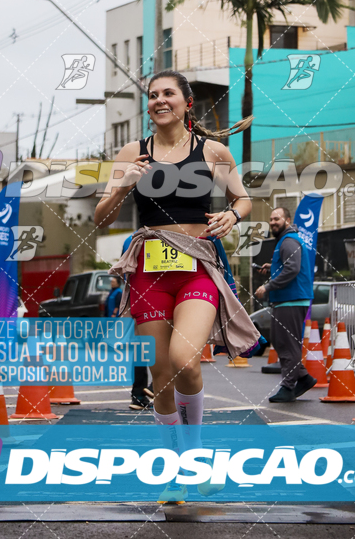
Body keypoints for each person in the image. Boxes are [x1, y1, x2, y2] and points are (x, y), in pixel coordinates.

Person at [95, 70, 259, 502]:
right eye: (152, 95)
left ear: (187, 103)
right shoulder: (134, 151)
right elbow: (100, 216)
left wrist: (233, 216)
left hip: (196, 264)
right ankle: (175, 468)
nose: (159, 100)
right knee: (161, 374)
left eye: (168, 93)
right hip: (149, 271)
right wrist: (124, 184)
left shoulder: (213, 150)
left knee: (186, 360)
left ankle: (197, 458)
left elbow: (243, 198)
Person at [255, 207, 315, 403]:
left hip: (291, 299)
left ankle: (288, 387)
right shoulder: (286, 240)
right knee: (282, 343)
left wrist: (268, 286)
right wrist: (271, 268)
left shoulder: (289, 241)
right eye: (271, 219)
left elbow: (292, 269)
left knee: (287, 344)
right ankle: (304, 378)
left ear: (287, 220)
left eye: (277, 219)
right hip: (286, 300)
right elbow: (286, 266)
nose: (273, 222)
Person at [121, 233, 155, 412]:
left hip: (135, 299)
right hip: (159, 299)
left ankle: (138, 395)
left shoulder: (129, 239)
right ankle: (154, 387)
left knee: (140, 349)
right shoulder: (165, 235)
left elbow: (124, 271)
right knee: (172, 346)